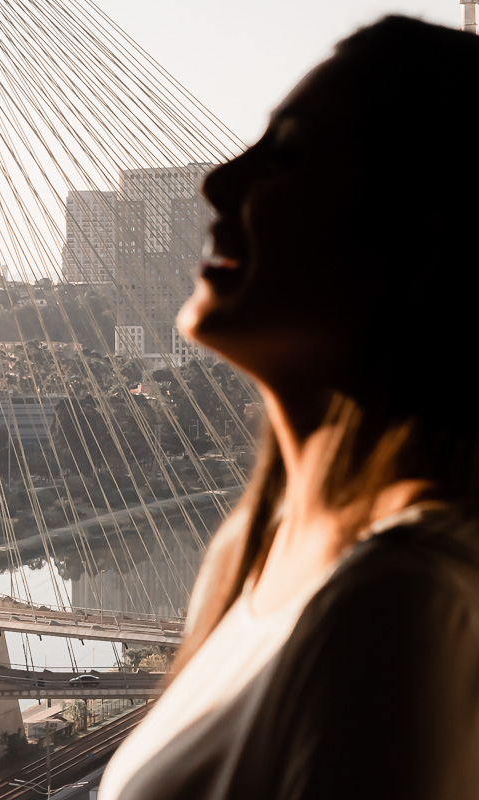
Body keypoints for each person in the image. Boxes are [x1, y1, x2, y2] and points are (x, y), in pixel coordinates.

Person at [98, 16, 479, 800]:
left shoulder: (401, 605)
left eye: (289, 155)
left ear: (418, 237)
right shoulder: (247, 552)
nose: (218, 181)